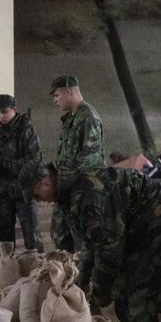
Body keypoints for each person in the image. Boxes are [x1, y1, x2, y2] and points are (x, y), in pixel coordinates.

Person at [22, 163, 161, 322]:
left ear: (45, 183)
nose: (39, 201)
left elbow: (109, 247)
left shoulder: (87, 193)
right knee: (123, 287)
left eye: (35, 195)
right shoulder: (69, 191)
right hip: (138, 225)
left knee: (136, 290)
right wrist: (81, 281)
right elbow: (91, 243)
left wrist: (99, 291)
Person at [0, 94, 43, 250]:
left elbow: (35, 161)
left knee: (32, 236)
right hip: (0, 194)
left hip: (23, 192)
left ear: (14, 110)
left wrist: (6, 165)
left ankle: (39, 269)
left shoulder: (27, 131)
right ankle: (4, 270)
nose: (1, 115)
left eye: (4, 112)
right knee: (0, 241)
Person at [49, 75, 106, 251]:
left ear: (69, 91)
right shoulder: (72, 118)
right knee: (60, 235)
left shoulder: (88, 117)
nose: (54, 100)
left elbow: (90, 159)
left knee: (83, 242)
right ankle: (67, 275)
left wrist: (59, 172)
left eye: (57, 95)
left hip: (84, 190)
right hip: (69, 188)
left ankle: (80, 276)